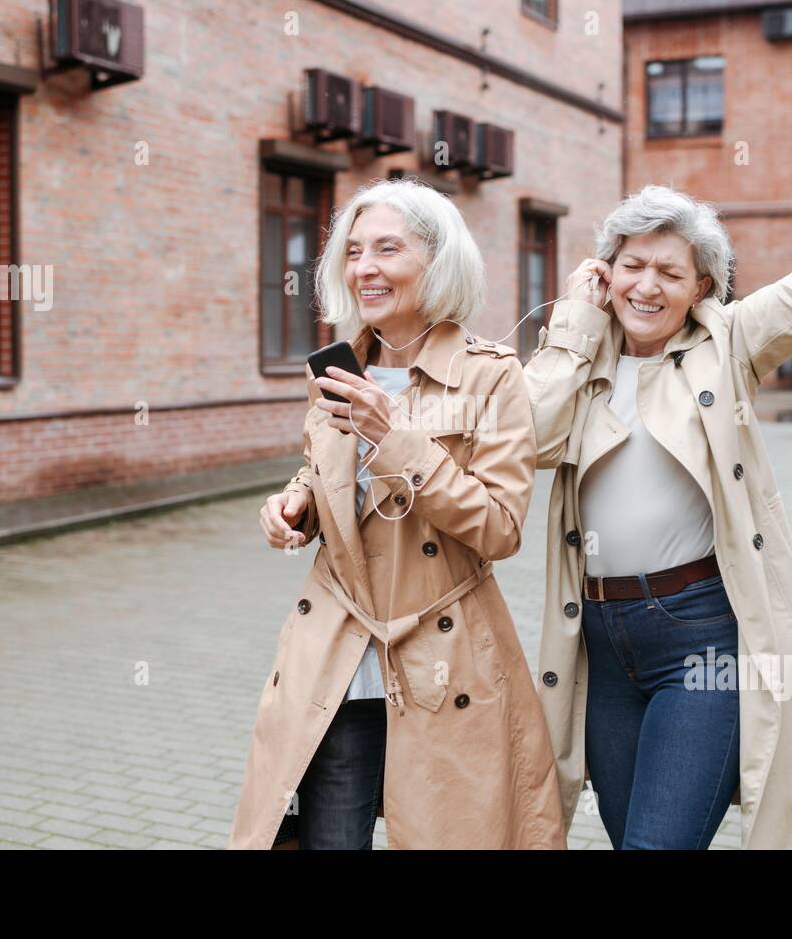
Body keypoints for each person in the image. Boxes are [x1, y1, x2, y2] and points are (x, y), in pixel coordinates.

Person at [524, 20, 792, 849]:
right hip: (599, 645)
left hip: (702, 639)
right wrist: (573, 322)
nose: (647, 285)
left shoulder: (731, 339)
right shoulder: (575, 355)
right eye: (631, 265)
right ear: (606, 273)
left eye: (669, 272)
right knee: (625, 835)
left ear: (701, 287)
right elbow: (526, 437)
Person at [230, 178, 565, 849]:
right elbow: (326, 473)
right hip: (339, 658)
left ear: (437, 261)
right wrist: (296, 507)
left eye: (387, 248)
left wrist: (393, 439)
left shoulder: (492, 376)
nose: (364, 268)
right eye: (354, 252)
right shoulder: (340, 368)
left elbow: (499, 527)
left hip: (446, 659)